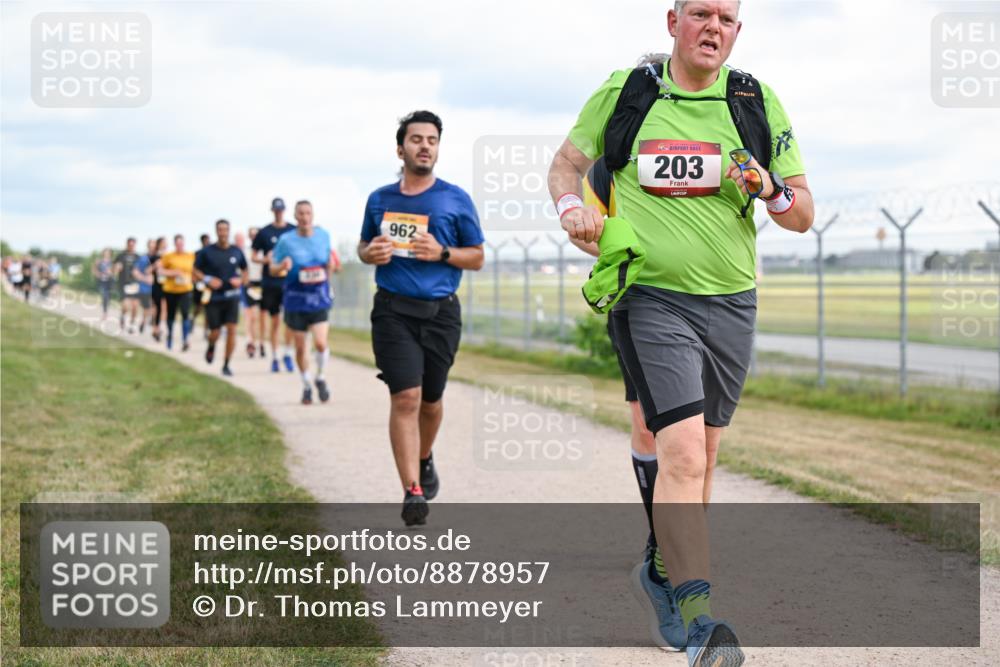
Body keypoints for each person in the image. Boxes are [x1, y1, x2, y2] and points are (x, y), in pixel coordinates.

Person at [548, 2, 814, 664]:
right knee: (683, 455)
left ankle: (660, 571)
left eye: (726, 16)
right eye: (701, 12)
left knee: (705, 458)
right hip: (649, 296)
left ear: (737, 32)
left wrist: (769, 186)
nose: (713, 26)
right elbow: (564, 166)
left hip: (731, 302)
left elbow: (802, 213)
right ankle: (701, 624)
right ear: (673, 22)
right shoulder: (628, 92)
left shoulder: (755, 100)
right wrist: (573, 207)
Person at [358, 110, 484, 526]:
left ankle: (424, 456)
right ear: (401, 148)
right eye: (416, 139)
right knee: (405, 397)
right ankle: (412, 490)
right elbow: (363, 246)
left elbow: (477, 257)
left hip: (441, 313)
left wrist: (442, 253)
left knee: (431, 402)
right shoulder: (380, 199)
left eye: (431, 139)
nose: (424, 146)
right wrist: (369, 253)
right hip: (393, 310)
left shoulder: (455, 199)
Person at [271, 201, 338, 404]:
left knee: (320, 343)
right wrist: (282, 265)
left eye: (308, 213)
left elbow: (330, 264)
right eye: (300, 213)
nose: (305, 217)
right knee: (300, 348)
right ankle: (307, 384)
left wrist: (331, 268)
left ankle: (320, 377)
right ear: (295, 216)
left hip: (318, 297)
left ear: (313, 215)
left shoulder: (323, 236)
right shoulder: (286, 240)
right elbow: (272, 269)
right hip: (295, 299)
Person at [193, 219, 248, 376]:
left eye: (225, 230)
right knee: (215, 332)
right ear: (216, 231)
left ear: (229, 231)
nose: (223, 233)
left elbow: (245, 271)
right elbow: (195, 270)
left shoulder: (236, 251)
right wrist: (207, 279)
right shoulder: (207, 252)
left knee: (232, 330)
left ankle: (226, 364)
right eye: (220, 230)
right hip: (214, 297)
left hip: (232, 296)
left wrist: (241, 281)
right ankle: (211, 346)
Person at [252, 197, 297, 373]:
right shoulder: (264, 232)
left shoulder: (293, 230)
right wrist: (265, 259)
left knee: (292, 320)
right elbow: (253, 256)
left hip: (290, 281)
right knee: (275, 321)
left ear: (284, 210)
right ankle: (275, 357)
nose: (278, 212)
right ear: (272, 211)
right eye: (276, 210)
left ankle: (287, 353)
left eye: (281, 210)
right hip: (271, 281)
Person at [159, 234, 196, 351]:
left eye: (182, 243)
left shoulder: (190, 256)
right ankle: (170, 336)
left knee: (185, 313)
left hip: (186, 289)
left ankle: (185, 339)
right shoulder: (168, 256)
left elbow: (195, 270)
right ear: (175, 244)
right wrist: (173, 273)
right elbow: (160, 271)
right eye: (178, 243)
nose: (180, 245)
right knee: (171, 314)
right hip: (171, 290)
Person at [243, 226, 264, 357]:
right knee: (250, 316)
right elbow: (242, 269)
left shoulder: (263, 251)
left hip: (262, 285)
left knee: (260, 317)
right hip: (250, 285)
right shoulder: (246, 251)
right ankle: (250, 342)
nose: (254, 237)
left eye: (256, 235)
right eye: (252, 235)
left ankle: (261, 342)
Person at [114, 238, 141, 333]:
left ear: (135, 245)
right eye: (130, 244)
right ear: (127, 245)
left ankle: (132, 325)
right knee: (126, 306)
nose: (131, 246)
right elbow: (115, 267)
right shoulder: (121, 256)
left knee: (135, 307)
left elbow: (142, 269)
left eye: (133, 245)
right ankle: (123, 315)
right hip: (123, 284)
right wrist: (117, 268)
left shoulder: (138, 257)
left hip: (134, 284)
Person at [133, 239, 159, 336]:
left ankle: (155, 329)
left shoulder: (159, 258)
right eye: (151, 246)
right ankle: (143, 322)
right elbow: (135, 272)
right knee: (147, 308)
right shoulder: (143, 259)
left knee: (156, 307)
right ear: (148, 247)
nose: (152, 248)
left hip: (156, 288)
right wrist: (145, 279)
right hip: (145, 288)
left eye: (154, 246)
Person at [192, 233, 212, 333]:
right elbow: (194, 268)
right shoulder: (197, 253)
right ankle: (193, 318)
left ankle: (206, 330)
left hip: (209, 284)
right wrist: (195, 280)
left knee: (208, 307)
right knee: (199, 307)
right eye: (206, 240)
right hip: (199, 283)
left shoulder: (212, 252)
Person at [93, 249, 114, 319]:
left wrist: (111, 273)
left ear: (110, 254)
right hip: (102, 281)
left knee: (108, 296)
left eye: (108, 253)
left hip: (110, 281)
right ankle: (105, 313)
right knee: (104, 295)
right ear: (103, 253)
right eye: (105, 253)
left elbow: (115, 271)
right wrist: (98, 274)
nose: (106, 254)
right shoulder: (99, 262)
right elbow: (95, 270)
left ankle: (106, 306)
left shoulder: (112, 262)